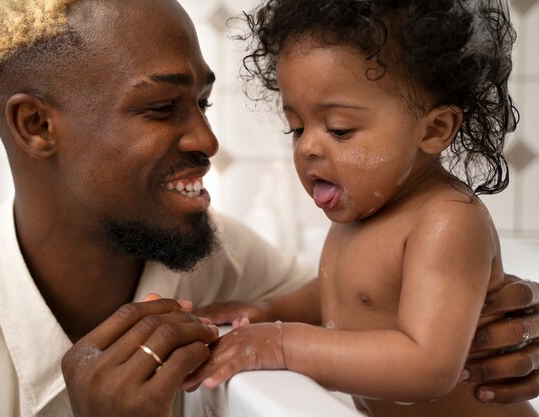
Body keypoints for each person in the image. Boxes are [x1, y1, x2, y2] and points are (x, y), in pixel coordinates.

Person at [0, 0, 537, 416]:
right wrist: (273, 323)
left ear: (434, 130)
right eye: (161, 108)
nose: (209, 142)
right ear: (35, 125)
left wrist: (512, 315)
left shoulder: (230, 259)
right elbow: (331, 297)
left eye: (204, 106)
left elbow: (378, 321)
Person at [183, 1, 539, 416]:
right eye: (297, 127)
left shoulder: (446, 219)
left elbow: (428, 366)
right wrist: (268, 311)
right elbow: (344, 291)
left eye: (339, 129)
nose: (309, 146)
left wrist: (283, 342)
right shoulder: (365, 208)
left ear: (435, 129)